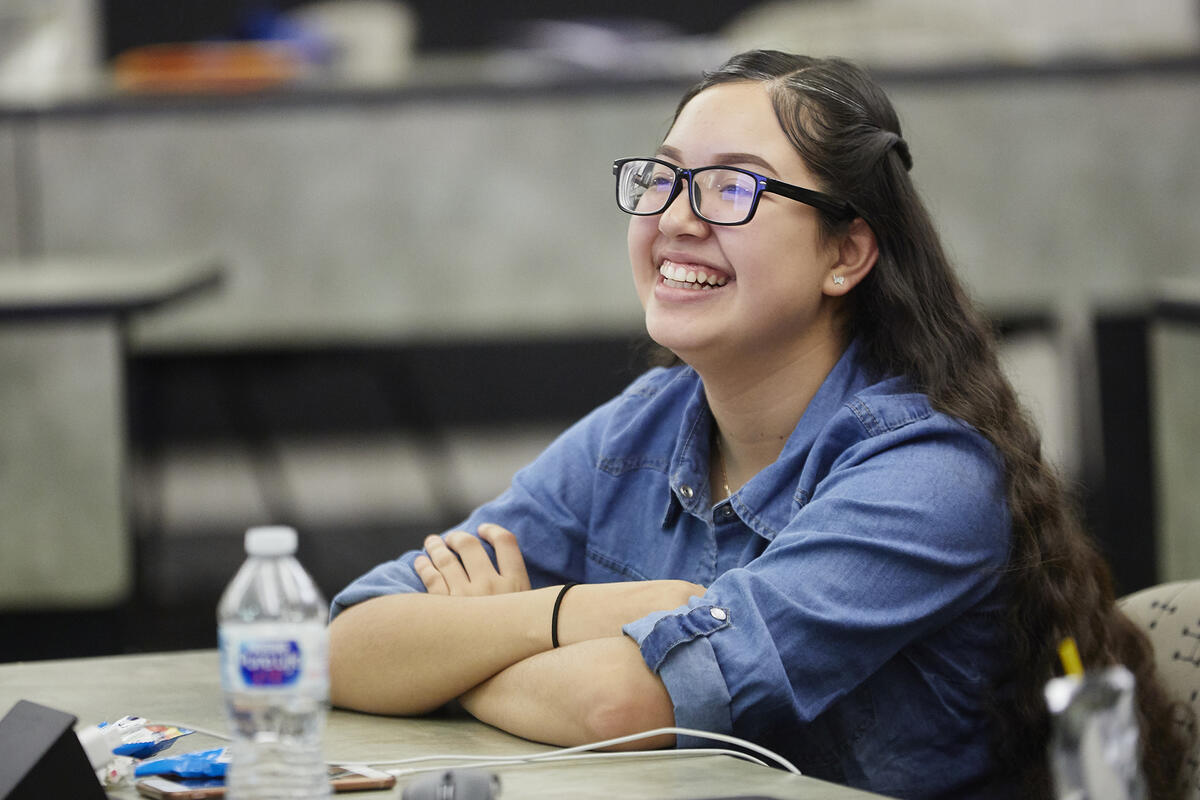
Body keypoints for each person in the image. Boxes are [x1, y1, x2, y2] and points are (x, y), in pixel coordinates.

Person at [328, 50, 1189, 798]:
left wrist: (461, 650)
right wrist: (573, 617)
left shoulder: (928, 477)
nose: (675, 218)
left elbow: (619, 705)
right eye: (662, 177)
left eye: (732, 187)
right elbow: (347, 643)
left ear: (846, 253)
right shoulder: (643, 427)